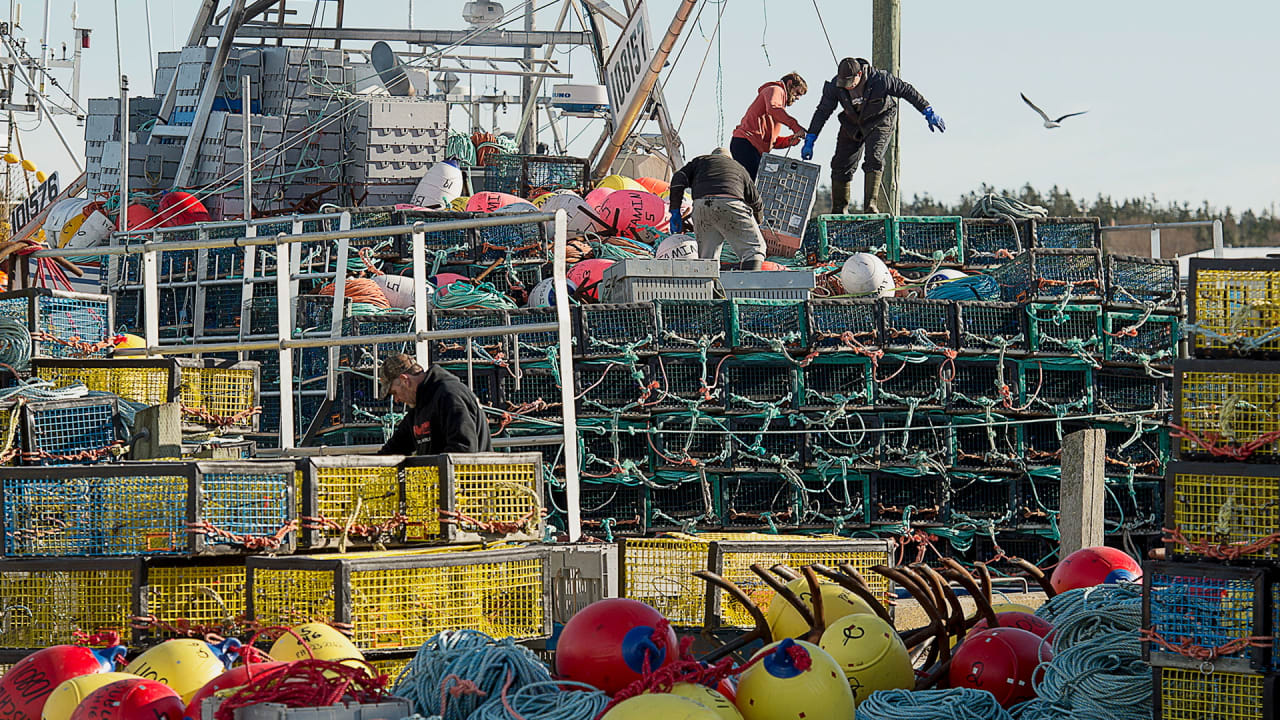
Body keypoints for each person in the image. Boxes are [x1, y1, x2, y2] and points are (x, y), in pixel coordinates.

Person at [802, 57, 946, 214]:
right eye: (844, 83)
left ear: (859, 74)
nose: (848, 87)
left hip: (880, 119)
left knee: (874, 158)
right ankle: (839, 209)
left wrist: (927, 111)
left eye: (850, 82)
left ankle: (870, 206)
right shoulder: (836, 85)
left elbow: (907, 91)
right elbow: (823, 111)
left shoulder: (880, 80)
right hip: (853, 122)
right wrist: (811, 138)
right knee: (840, 163)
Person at [668, 148, 767, 270]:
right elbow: (756, 201)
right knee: (754, 249)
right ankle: (749, 285)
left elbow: (678, 178)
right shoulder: (737, 167)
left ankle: (708, 287)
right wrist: (757, 221)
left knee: (707, 256)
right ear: (728, 159)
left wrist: (675, 211)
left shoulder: (699, 162)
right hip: (730, 203)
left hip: (701, 206)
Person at [376, 352, 493, 455]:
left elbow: (463, 449)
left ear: (405, 380)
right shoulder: (419, 405)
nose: (396, 400)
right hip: (440, 477)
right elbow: (396, 447)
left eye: (394, 392)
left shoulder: (450, 395)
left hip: (470, 478)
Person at [729, 72, 809, 179]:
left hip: (750, 145)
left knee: (755, 184)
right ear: (789, 84)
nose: (798, 98)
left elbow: (772, 141)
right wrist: (795, 127)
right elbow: (773, 109)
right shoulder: (775, 90)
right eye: (797, 93)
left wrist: (789, 140)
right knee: (754, 184)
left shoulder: (778, 105)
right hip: (746, 143)